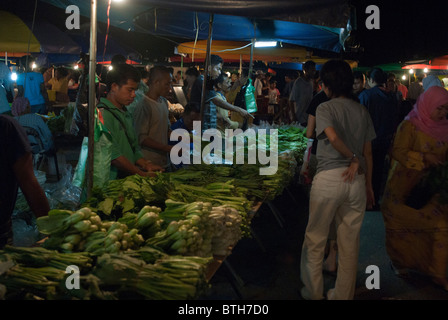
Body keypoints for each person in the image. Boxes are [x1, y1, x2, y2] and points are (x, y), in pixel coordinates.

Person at [300, 59, 375, 300]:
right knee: (349, 244)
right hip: (357, 183)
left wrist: (351, 157)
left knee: (315, 240)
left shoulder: (325, 108)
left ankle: (313, 293)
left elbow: (331, 138)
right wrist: (370, 185)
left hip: (330, 178)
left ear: (326, 84)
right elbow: (369, 153)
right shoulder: (362, 111)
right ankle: (342, 296)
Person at [380, 86, 448, 291]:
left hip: (431, 189)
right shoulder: (409, 126)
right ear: (428, 106)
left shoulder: (445, 127)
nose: (444, 113)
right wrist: (424, 158)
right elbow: (398, 152)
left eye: (446, 109)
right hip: (404, 189)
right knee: (402, 230)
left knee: (439, 226)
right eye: (440, 108)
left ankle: (437, 272)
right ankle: (401, 263)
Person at [97, 63, 163, 180]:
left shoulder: (125, 112)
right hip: (110, 182)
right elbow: (114, 157)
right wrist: (141, 174)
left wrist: (146, 164)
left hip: (126, 179)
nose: (133, 95)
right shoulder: (102, 115)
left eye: (135, 90)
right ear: (114, 87)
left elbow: (133, 146)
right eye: (130, 90)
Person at [0, 114, 50, 248]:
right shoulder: (6, 127)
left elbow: (29, 183)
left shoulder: (6, 127)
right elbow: (29, 182)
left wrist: (50, 229)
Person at [358, 67, 398, 209]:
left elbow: (359, 121)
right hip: (384, 141)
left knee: (366, 171)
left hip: (368, 142)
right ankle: (373, 201)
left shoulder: (366, 96)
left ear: (371, 80)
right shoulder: (393, 97)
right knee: (378, 172)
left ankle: (366, 201)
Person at [189, 54, 252, 131]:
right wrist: (238, 109)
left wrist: (220, 117)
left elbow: (208, 106)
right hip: (201, 128)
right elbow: (216, 101)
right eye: (218, 69)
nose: (219, 72)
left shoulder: (207, 82)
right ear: (209, 68)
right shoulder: (202, 81)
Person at [133, 66, 174, 170]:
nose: (170, 89)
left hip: (164, 161)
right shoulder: (144, 105)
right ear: (156, 82)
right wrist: (168, 148)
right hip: (149, 164)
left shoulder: (163, 102)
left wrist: (184, 137)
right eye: (167, 84)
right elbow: (142, 138)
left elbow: (166, 129)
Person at [289, 60, 316, 126]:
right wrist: (293, 116)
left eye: (314, 70)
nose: (314, 72)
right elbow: (291, 100)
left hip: (307, 117)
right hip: (299, 117)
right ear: (306, 70)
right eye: (312, 70)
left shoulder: (311, 82)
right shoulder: (298, 82)